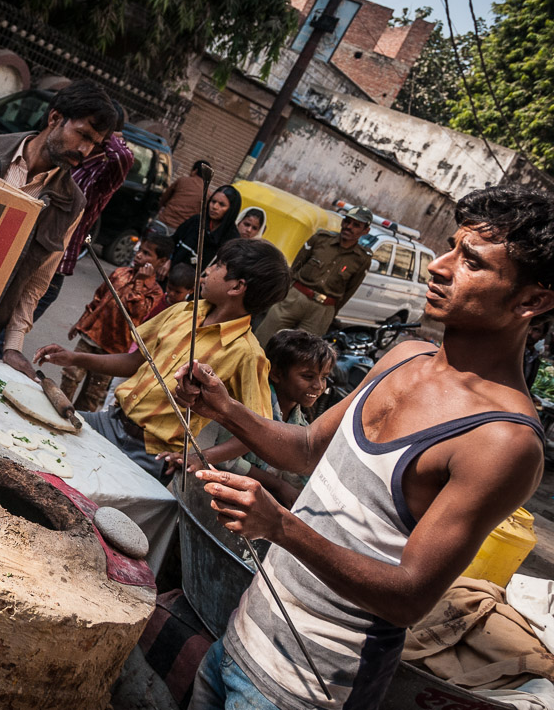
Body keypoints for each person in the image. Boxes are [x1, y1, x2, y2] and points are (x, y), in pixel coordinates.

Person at [175, 185, 554, 710]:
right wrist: (224, 408)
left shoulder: (502, 440)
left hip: (309, 687)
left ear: (532, 300)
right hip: (241, 636)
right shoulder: (405, 355)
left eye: (471, 261)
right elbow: (308, 448)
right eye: (450, 247)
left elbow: (409, 596)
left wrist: (281, 525)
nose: (438, 268)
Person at [34, 238, 291, 481]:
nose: (207, 271)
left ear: (236, 287)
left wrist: (203, 458)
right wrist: (74, 358)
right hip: (110, 421)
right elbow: (135, 362)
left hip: (150, 456)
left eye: (218, 266)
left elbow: (257, 430)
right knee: (38, 438)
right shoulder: (182, 311)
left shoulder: (247, 353)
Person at [0, 80, 116, 379]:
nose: (86, 150)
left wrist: (12, 345)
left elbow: (37, 282)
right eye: (83, 135)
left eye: (95, 144)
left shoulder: (72, 204)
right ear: (55, 118)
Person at [163, 329, 334, 506]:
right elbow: (228, 461)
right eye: (308, 377)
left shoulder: (299, 423)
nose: (318, 386)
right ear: (276, 374)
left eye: (324, 378)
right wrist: (279, 486)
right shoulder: (251, 406)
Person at [60, 233, 172, 411]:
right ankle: (60, 408)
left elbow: (138, 312)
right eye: (140, 250)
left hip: (114, 348)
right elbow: (98, 299)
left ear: (161, 261)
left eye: (147, 254)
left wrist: (139, 284)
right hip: (92, 335)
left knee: (93, 393)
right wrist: (81, 323)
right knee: (70, 375)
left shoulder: (155, 292)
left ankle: (78, 419)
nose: (139, 255)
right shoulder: (120, 273)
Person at [255, 205, 373, 343]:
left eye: (356, 225)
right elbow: (296, 267)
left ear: (366, 230)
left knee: (298, 354)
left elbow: (349, 291)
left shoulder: (362, 259)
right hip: (294, 298)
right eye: (347, 221)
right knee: (264, 338)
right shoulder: (321, 239)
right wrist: (285, 293)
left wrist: (330, 312)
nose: (349, 226)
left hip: (322, 311)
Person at [171, 184, 241, 271]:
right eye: (213, 201)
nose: (215, 207)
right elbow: (173, 241)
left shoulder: (231, 239)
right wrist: (168, 260)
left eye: (222, 205)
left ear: (231, 210)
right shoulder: (196, 221)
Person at [148, 159, 211, 236]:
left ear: (195, 170)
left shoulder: (182, 180)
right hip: (180, 230)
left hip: (163, 222)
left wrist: (160, 208)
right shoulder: (208, 194)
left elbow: (164, 197)